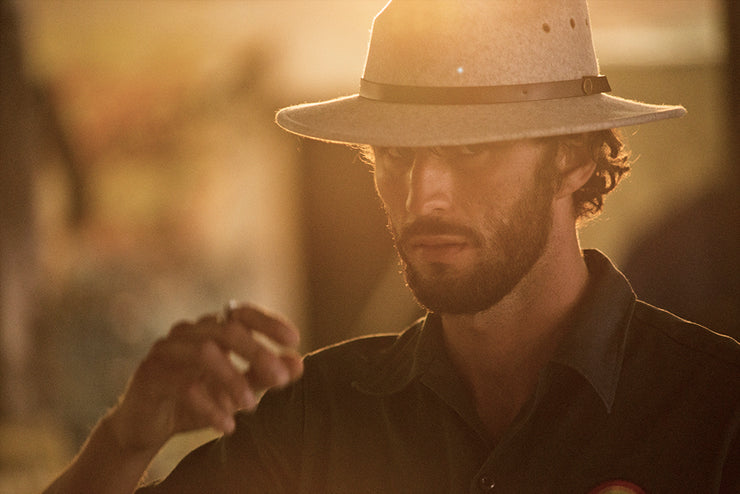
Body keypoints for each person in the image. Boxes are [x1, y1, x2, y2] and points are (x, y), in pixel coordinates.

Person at [44, 1, 739, 493]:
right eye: (395, 153)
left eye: (470, 149)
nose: (423, 193)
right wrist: (126, 439)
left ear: (575, 160)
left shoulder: (716, 411)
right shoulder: (316, 414)